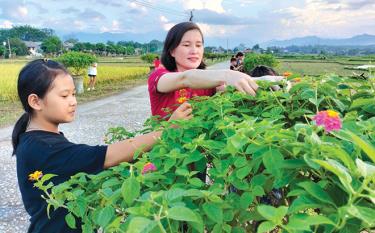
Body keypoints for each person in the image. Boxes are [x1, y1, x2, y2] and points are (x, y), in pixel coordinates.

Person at [12, 59, 192, 232]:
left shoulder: (39, 137)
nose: (73, 101)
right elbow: (106, 156)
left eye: (73, 94)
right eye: (64, 95)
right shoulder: (41, 147)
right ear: (35, 101)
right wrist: (166, 131)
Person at [148, 22, 262, 120]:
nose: (194, 51)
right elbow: (185, 78)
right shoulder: (159, 77)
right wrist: (227, 74)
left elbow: (236, 84)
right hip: (163, 144)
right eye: (186, 45)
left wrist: (270, 80)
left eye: (198, 45)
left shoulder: (207, 83)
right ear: (172, 50)